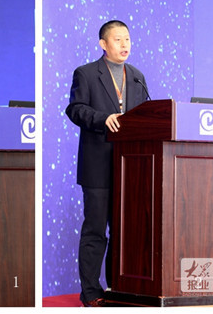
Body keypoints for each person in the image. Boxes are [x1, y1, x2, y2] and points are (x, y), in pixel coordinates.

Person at [66, 20, 149, 307]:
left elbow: (144, 115)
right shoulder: (86, 73)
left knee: (124, 232)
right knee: (96, 230)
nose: (125, 45)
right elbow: (75, 109)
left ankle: (118, 286)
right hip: (98, 166)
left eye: (128, 39)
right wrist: (103, 119)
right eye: (118, 39)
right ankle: (91, 292)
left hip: (131, 167)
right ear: (103, 44)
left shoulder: (137, 77)